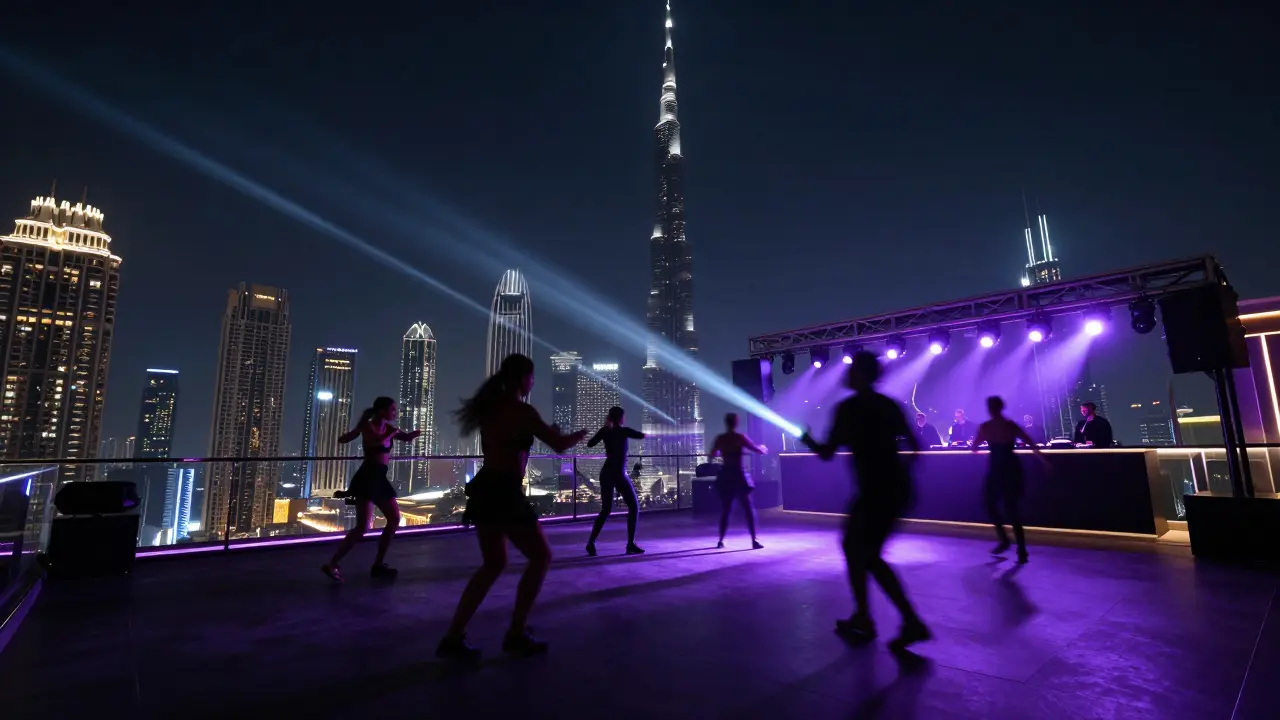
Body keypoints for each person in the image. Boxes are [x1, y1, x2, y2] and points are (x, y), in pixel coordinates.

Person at [436, 354, 588, 661]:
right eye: (532, 377)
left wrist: (551, 433)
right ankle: (516, 633)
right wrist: (578, 435)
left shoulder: (491, 409)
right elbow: (558, 445)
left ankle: (453, 637)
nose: (533, 382)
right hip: (505, 491)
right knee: (541, 556)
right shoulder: (522, 410)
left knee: (493, 564)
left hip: (486, 489)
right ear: (523, 378)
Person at [801, 351, 930, 651]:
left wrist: (806, 439)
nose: (846, 373)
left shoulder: (847, 409)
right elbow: (915, 447)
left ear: (860, 374)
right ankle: (869, 616)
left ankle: (904, 621)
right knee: (858, 549)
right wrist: (900, 476)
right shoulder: (889, 406)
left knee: (863, 552)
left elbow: (826, 453)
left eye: (852, 369)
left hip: (875, 492)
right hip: (894, 489)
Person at [321, 397, 420, 582]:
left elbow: (405, 438)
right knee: (362, 527)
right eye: (392, 409)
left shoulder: (390, 429)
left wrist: (414, 434)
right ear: (381, 411)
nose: (395, 413)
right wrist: (389, 434)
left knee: (394, 519)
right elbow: (374, 443)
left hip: (379, 478)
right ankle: (332, 563)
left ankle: (378, 564)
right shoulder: (368, 427)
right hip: (367, 478)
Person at [972, 396, 1050, 563]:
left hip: (995, 469)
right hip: (1012, 468)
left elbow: (974, 448)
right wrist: (1043, 460)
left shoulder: (985, 427)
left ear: (990, 409)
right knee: (1012, 509)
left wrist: (988, 451)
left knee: (990, 505)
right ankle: (1021, 550)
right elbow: (1031, 443)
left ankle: (1004, 540)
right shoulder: (1010, 425)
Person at [585, 406, 646, 556]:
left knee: (606, 510)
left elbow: (590, 444)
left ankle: (591, 542)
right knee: (634, 507)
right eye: (623, 416)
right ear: (620, 417)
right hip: (619, 474)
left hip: (607, 473)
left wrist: (604, 430)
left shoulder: (605, 430)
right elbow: (639, 435)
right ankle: (630, 544)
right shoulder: (623, 431)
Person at [709, 413, 766, 549]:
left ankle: (721, 540)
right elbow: (756, 449)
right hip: (738, 476)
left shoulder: (720, 439)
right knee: (748, 508)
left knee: (726, 509)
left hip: (726, 475)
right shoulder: (740, 437)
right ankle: (754, 541)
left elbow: (712, 455)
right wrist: (763, 448)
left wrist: (720, 453)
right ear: (736, 423)